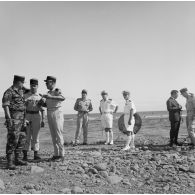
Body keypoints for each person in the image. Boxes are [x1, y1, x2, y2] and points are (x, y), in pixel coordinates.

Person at [2, 75, 28, 169]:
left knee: (22, 138)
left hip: (21, 120)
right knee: (12, 140)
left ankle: (17, 159)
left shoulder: (20, 92)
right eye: (22, 83)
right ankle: (9, 162)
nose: (23, 85)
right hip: (14, 120)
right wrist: (9, 119)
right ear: (19, 82)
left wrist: (24, 120)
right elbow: (5, 106)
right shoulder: (9, 92)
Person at [41, 76, 65, 161]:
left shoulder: (56, 90)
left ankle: (61, 154)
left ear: (53, 83)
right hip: (49, 111)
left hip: (57, 112)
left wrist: (49, 97)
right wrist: (41, 102)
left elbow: (62, 98)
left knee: (58, 133)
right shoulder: (47, 93)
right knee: (53, 134)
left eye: (48, 82)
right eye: (46, 83)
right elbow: (46, 104)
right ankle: (56, 153)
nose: (46, 84)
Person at [23, 78, 45, 161]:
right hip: (27, 115)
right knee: (26, 135)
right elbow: (22, 108)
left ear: (37, 86)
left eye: (35, 86)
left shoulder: (40, 97)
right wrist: (23, 119)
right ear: (30, 86)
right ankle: (25, 155)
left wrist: (43, 120)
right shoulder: (25, 96)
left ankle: (36, 154)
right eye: (32, 86)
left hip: (36, 116)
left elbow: (43, 110)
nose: (33, 87)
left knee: (36, 136)